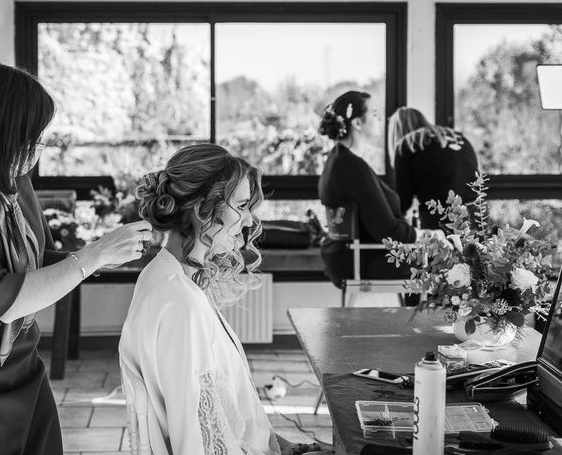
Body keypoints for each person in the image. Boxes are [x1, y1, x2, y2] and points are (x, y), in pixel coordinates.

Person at [0, 62, 153, 455]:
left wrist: (101, 258)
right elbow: (6, 300)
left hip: (24, 372)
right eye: (31, 141)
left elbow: (36, 261)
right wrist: (90, 257)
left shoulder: (11, 182)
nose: (35, 154)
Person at [118, 144, 331, 455]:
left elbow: (224, 416)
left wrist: (286, 447)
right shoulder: (180, 304)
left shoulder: (170, 277)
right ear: (202, 206)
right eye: (241, 205)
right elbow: (200, 442)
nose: (248, 221)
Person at [318, 91, 428, 288]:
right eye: (375, 114)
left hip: (347, 257)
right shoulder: (352, 167)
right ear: (358, 124)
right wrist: (427, 235)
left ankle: (413, 317)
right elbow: (388, 231)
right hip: (364, 260)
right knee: (446, 261)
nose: (380, 120)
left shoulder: (339, 159)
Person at [388, 107, 479, 229]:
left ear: (397, 133)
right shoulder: (457, 137)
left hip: (440, 215)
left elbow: (403, 203)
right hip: (477, 212)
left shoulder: (407, 144)